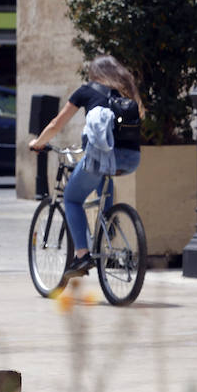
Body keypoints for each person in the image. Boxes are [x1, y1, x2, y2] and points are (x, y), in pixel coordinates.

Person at [27, 55, 145, 284]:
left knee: (71, 198)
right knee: (102, 181)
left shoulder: (86, 91)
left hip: (102, 157)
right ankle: (107, 230)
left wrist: (38, 142)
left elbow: (56, 125)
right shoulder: (126, 93)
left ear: (95, 73)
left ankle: (82, 255)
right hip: (131, 158)